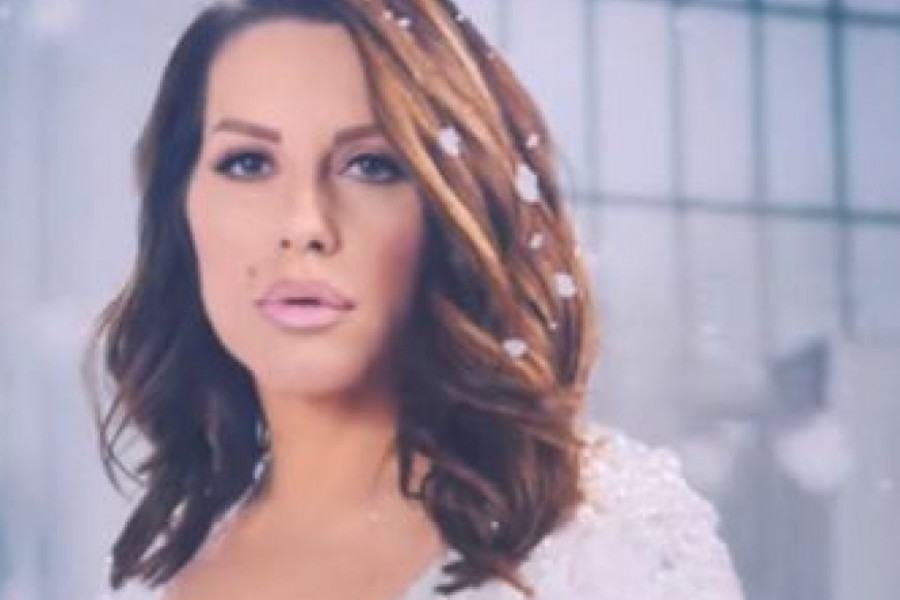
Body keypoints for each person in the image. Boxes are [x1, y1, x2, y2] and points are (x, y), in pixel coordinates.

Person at [85, 0, 745, 598]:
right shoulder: (166, 557)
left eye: (371, 165)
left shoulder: (605, 538)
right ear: (183, 210)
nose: (306, 224)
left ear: (451, 208)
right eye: (249, 163)